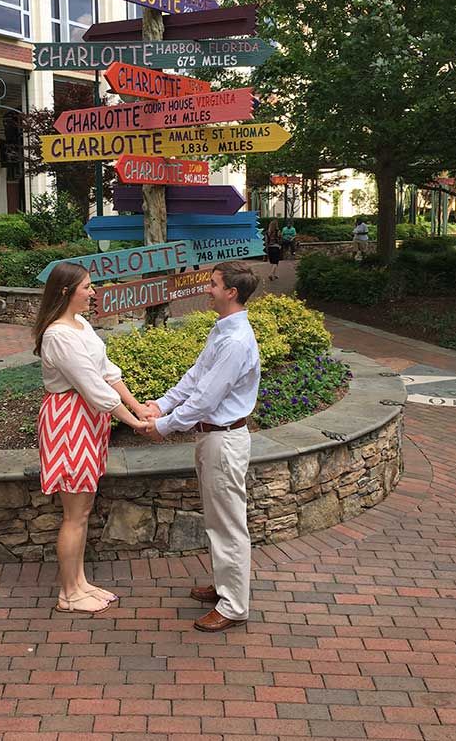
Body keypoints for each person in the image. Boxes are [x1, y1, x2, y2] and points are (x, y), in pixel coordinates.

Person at [138, 260, 260, 632]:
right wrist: (161, 403)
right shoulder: (223, 331)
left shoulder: (236, 341)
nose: (206, 289)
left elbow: (205, 399)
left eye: (212, 283)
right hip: (212, 438)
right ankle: (226, 587)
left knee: (228, 526)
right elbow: (196, 376)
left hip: (223, 439)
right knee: (218, 520)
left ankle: (234, 606)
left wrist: (163, 426)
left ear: (230, 292)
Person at [33, 261, 148, 615]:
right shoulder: (58, 335)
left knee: (82, 510)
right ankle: (68, 594)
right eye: (87, 287)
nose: (93, 292)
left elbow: (108, 372)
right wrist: (134, 422)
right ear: (67, 292)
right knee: (75, 513)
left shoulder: (80, 325)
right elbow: (93, 388)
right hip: (69, 422)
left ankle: (80, 583)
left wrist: (138, 406)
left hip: (87, 421)